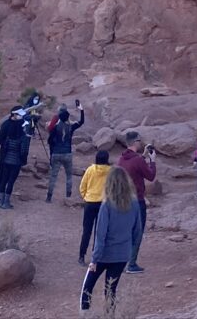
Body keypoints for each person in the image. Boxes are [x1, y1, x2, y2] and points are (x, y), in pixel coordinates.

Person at [80, 165, 142, 312]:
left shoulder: (107, 205)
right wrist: (128, 248)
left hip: (104, 255)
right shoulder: (134, 204)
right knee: (111, 291)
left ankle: (85, 315)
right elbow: (137, 231)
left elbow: (100, 235)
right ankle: (110, 316)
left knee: (87, 288)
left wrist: (94, 259)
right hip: (122, 255)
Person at [117, 130, 156, 273]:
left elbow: (134, 163)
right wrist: (153, 161)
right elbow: (150, 176)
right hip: (137, 200)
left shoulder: (121, 159)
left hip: (123, 199)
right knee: (137, 232)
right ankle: (131, 264)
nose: (141, 143)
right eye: (139, 141)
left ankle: (121, 261)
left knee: (126, 231)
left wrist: (144, 155)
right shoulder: (138, 160)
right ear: (135, 142)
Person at [77, 149, 113, 264]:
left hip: (90, 202)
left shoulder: (90, 169)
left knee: (86, 230)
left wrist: (85, 197)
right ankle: (96, 256)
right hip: (103, 203)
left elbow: (82, 186)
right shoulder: (111, 171)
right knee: (100, 231)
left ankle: (81, 256)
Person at [0, 107, 25, 209]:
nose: (21, 116)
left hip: (12, 154)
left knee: (7, 176)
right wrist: (9, 145)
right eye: (19, 114)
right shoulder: (6, 125)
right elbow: (0, 139)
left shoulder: (21, 124)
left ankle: (2, 197)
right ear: (13, 114)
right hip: (6, 153)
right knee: (2, 174)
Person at [46, 104, 82, 202]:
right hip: (67, 153)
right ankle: (68, 197)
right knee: (69, 175)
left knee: (53, 176)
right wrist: (81, 110)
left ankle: (49, 197)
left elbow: (50, 140)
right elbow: (81, 122)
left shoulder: (55, 128)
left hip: (56, 153)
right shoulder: (71, 127)